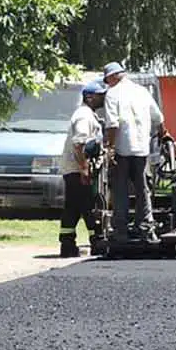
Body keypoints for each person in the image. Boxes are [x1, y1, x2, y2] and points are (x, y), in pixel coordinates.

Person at [102, 61, 165, 244]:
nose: (108, 84)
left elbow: (112, 124)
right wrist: (165, 134)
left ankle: (121, 231)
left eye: (108, 80)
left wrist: (111, 149)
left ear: (113, 76)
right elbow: (158, 118)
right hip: (141, 150)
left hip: (122, 149)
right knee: (142, 189)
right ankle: (146, 228)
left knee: (120, 190)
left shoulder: (112, 94)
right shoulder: (142, 91)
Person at [58, 82, 107, 258]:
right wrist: (84, 169)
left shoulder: (89, 115)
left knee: (81, 206)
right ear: (89, 97)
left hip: (80, 169)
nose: (104, 98)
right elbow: (79, 143)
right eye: (101, 95)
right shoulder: (83, 116)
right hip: (77, 170)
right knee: (82, 206)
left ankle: (73, 243)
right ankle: (86, 242)